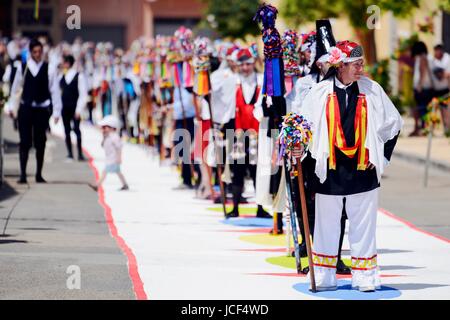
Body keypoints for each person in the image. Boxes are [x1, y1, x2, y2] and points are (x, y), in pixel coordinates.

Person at [301, 40, 403, 292]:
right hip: (330, 169)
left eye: (361, 64)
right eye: (355, 64)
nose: (360, 69)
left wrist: (381, 156)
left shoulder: (372, 90)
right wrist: (298, 147)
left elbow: (394, 124)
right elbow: (303, 128)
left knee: (364, 224)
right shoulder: (319, 93)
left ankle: (365, 276)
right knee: (325, 223)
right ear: (340, 66)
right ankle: (325, 275)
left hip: (362, 169)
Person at [287, 20, 351, 275]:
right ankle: (313, 250)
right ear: (318, 63)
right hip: (312, 156)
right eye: (326, 62)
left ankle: (334, 256)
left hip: (340, 155)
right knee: (312, 206)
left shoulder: (349, 86)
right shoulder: (305, 85)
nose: (331, 66)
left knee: (340, 209)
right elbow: (296, 117)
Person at [7, 39, 62, 184]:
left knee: (40, 141)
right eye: (35, 52)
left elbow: (54, 90)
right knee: (24, 141)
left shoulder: (49, 68)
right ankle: (23, 174)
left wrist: (57, 111)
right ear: (30, 52)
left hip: (42, 109)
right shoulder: (23, 67)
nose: (38, 54)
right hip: (26, 108)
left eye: (40, 52)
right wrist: (12, 107)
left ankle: (39, 173)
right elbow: (15, 89)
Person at [226, 48, 271, 219]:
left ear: (253, 63)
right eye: (242, 64)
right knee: (237, 170)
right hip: (237, 133)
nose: (245, 67)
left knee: (257, 170)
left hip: (258, 133)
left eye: (248, 63)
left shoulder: (262, 80)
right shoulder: (233, 81)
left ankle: (260, 208)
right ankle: (235, 207)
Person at [90, 115, 129, 191]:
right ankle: (125, 184)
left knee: (104, 172)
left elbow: (119, 148)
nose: (103, 129)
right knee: (118, 172)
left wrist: (119, 157)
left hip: (113, 159)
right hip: (110, 158)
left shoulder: (114, 137)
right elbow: (103, 145)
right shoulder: (108, 136)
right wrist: (104, 136)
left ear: (112, 127)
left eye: (105, 127)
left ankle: (97, 185)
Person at [60, 54, 88, 161]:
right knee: (66, 130)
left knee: (77, 130)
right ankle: (70, 153)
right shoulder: (62, 76)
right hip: (65, 107)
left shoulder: (78, 76)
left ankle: (80, 153)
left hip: (74, 107)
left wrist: (79, 109)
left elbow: (83, 94)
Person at [411, 41, 434, 136]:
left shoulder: (422, 58)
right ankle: (424, 128)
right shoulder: (426, 57)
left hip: (423, 88)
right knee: (424, 109)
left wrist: (419, 85)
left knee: (422, 109)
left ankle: (423, 129)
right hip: (426, 87)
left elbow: (422, 72)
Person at [430, 44, 450, 133]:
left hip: (445, 88)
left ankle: (448, 128)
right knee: (439, 110)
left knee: (446, 109)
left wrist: (440, 74)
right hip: (436, 89)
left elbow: (448, 74)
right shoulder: (433, 60)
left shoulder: (447, 59)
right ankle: (444, 128)